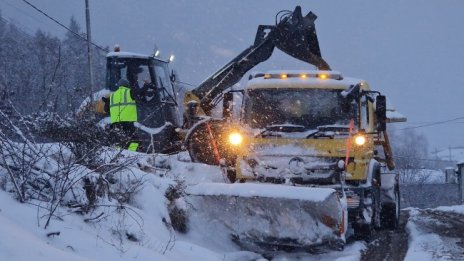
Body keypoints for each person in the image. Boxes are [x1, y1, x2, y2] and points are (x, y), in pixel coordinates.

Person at [109, 78, 145, 151]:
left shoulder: (112, 95)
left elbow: (108, 109)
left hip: (115, 123)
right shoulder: (129, 92)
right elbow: (140, 94)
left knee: (118, 141)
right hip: (127, 122)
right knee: (134, 140)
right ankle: (131, 153)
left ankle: (118, 155)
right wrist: (146, 85)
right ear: (127, 85)